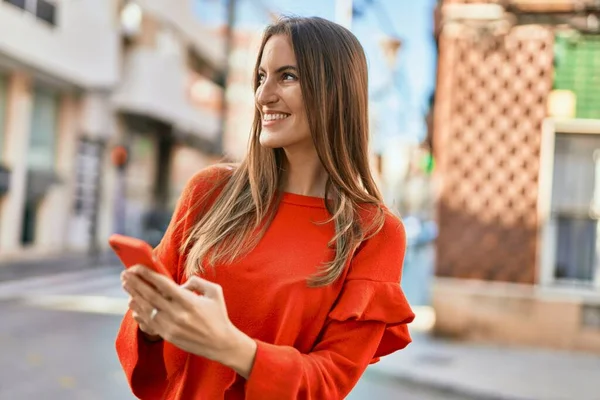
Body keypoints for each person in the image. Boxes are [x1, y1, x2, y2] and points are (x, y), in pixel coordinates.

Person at [116, 16, 414, 400]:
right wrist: (150, 322)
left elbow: (331, 380)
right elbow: (146, 354)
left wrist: (232, 347)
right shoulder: (209, 192)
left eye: (287, 76)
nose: (263, 95)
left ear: (335, 91)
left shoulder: (374, 231)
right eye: (261, 77)